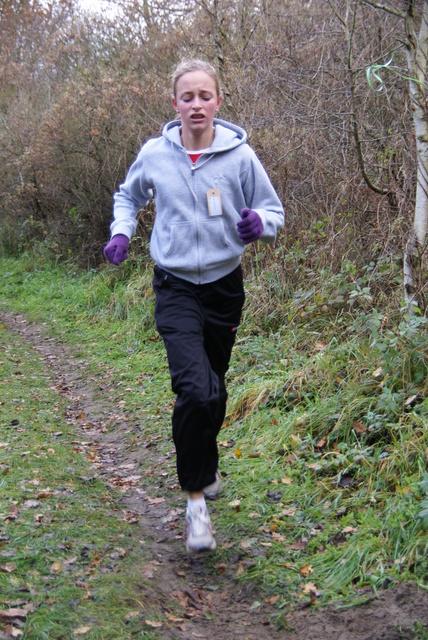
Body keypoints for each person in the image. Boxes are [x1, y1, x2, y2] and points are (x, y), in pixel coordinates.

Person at [104, 59, 284, 553]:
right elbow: (128, 195)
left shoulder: (240, 156)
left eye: (206, 96)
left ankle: (205, 463)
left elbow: (274, 211)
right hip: (175, 286)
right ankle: (196, 502)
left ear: (218, 101)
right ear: (175, 103)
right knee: (195, 390)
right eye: (188, 97)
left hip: (225, 288)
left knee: (215, 389)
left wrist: (258, 225)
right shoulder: (155, 154)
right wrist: (122, 231)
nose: (197, 104)